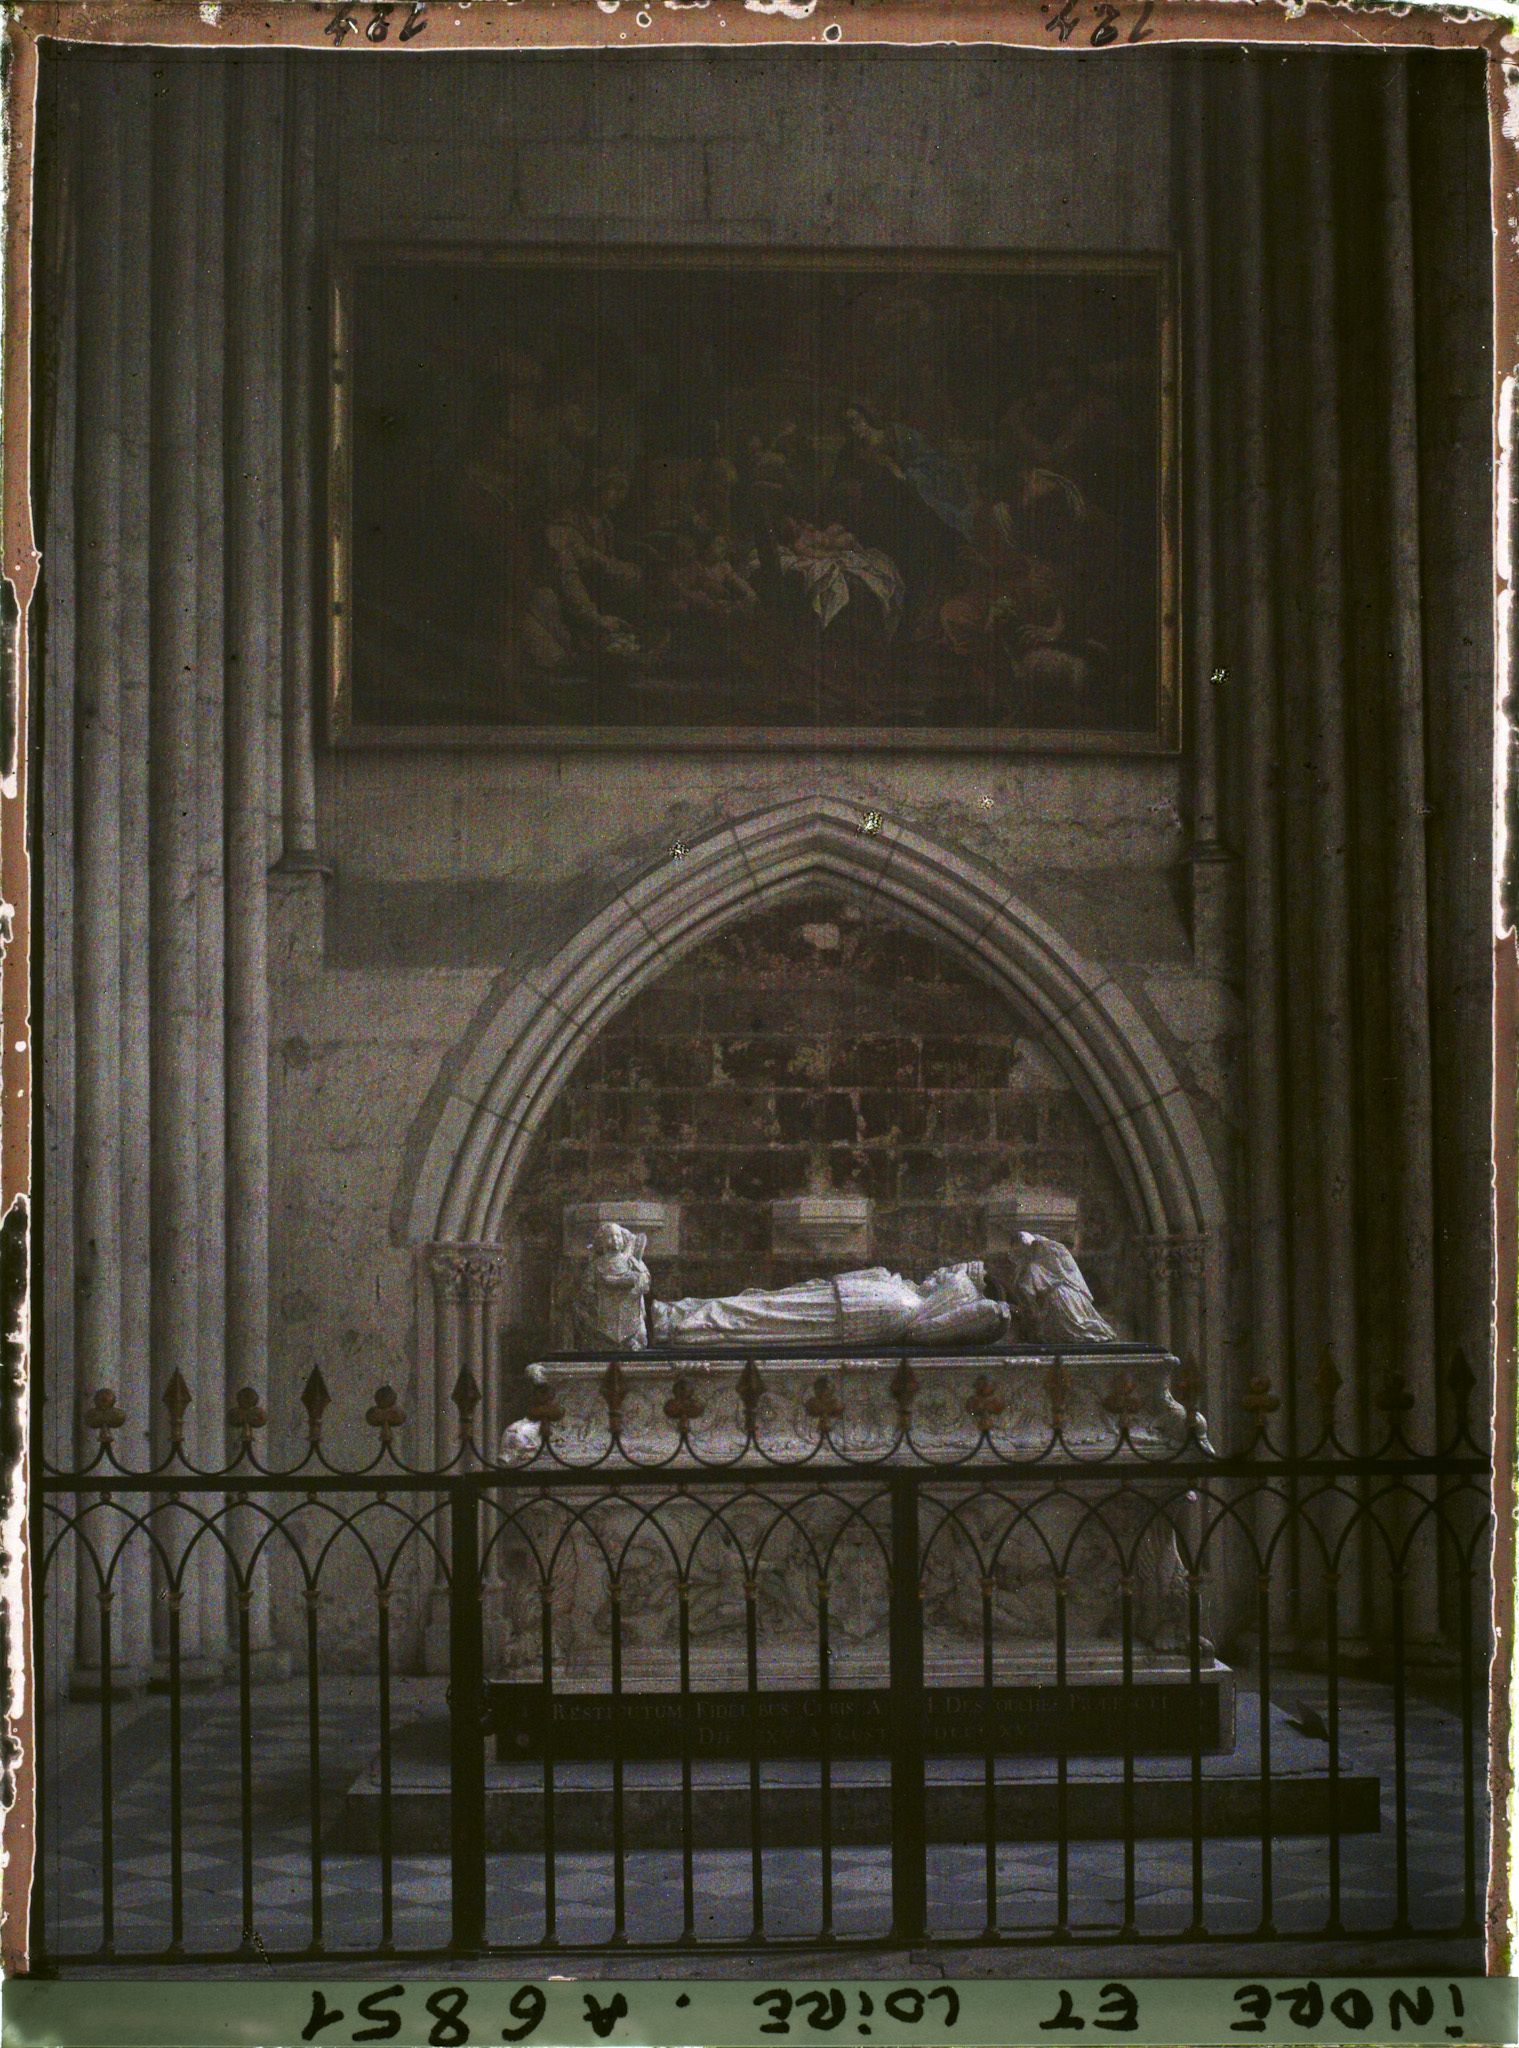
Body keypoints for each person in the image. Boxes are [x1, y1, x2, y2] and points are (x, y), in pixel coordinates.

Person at [649, 1260, 1008, 1349]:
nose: (940, 1271)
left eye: (949, 1274)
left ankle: (676, 1322)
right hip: (822, 1304)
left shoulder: (904, 1305)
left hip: (821, 1313)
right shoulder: (905, 1295)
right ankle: (678, 1314)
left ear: (954, 1294)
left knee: (748, 1315)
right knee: (750, 1304)